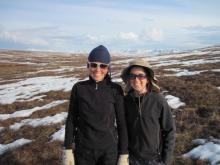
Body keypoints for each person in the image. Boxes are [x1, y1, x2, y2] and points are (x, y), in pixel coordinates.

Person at [63, 45, 129, 165]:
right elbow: (71, 119)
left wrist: (124, 154)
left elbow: (122, 123)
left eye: (103, 65)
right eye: (94, 65)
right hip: (83, 150)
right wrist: (67, 149)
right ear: (88, 65)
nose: (98, 69)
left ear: (108, 68)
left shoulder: (115, 89)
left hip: (109, 151)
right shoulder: (79, 88)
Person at [121, 59, 175, 165]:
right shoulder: (125, 101)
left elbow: (169, 130)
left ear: (148, 79)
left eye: (141, 76)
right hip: (132, 158)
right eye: (132, 76)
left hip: (155, 159)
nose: (136, 79)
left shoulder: (158, 100)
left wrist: (166, 159)